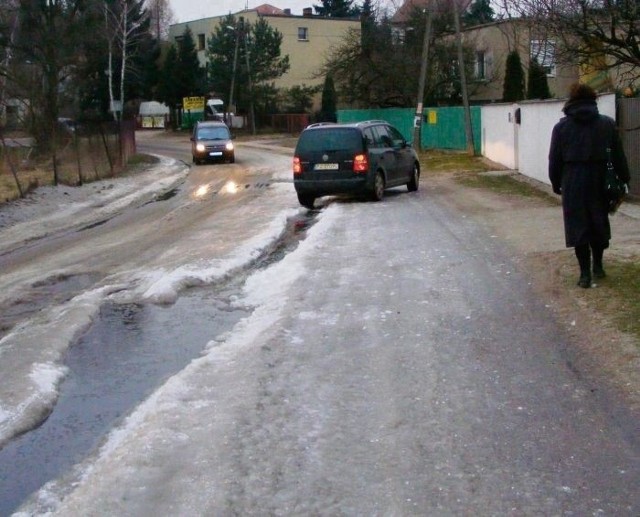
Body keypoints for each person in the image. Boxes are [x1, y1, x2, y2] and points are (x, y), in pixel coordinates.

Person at [549, 83, 630, 288]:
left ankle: (584, 274)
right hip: (600, 179)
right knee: (598, 223)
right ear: (593, 100)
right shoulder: (607, 124)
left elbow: (555, 159)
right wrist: (624, 178)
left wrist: (556, 183)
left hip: (573, 180)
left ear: (572, 102)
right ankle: (598, 266)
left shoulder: (561, 127)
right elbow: (619, 155)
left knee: (578, 227)